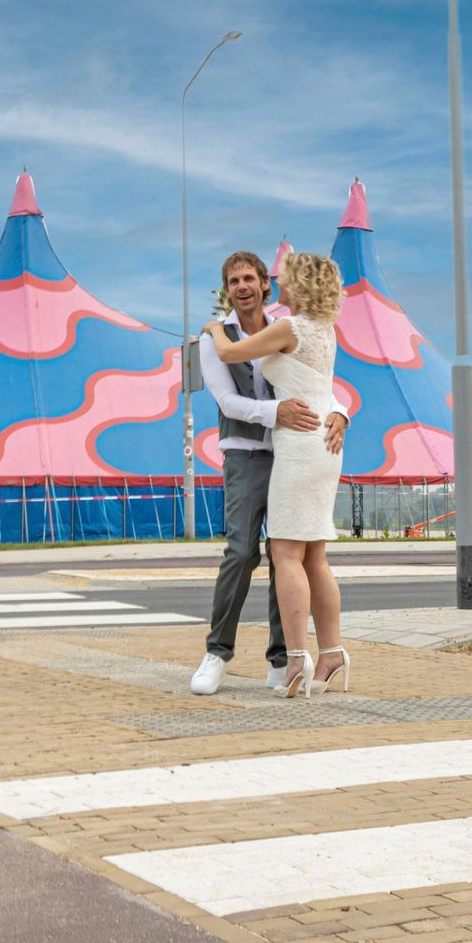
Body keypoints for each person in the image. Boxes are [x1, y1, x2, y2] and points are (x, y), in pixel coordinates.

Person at [189, 250, 348, 696]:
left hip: (290, 452)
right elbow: (228, 402)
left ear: (265, 284)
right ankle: (218, 653)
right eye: (232, 281)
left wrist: (341, 412)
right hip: (246, 454)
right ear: (227, 290)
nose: (241, 287)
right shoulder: (214, 340)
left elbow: (320, 383)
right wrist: (276, 411)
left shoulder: (288, 325)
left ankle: (284, 658)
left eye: (249, 279)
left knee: (287, 558)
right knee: (242, 552)